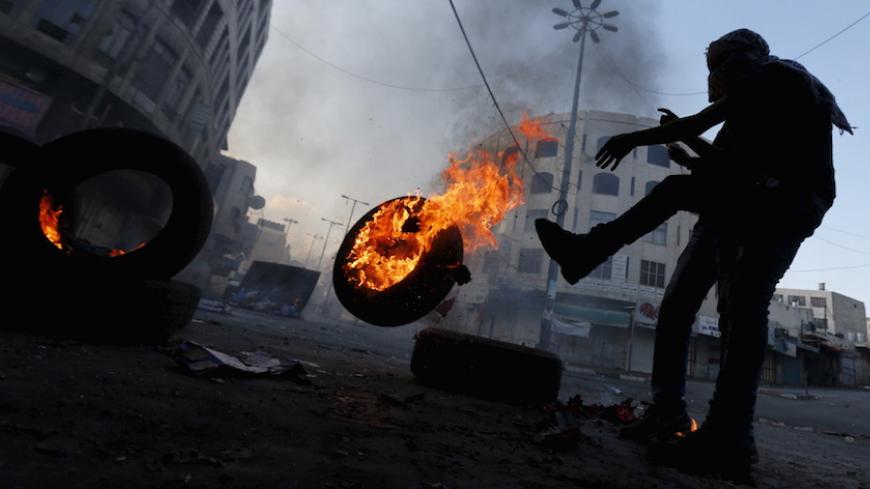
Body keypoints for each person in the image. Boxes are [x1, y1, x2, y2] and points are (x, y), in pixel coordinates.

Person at [536, 28, 851, 481]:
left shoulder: (778, 77)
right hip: (739, 204)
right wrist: (681, 148)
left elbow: (700, 124)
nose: (717, 78)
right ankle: (668, 416)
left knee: (742, 308)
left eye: (721, 67)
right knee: (679, 302)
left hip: (779, 208)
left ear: (744, 59)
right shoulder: (756, 102)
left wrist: (634, 139)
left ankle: (729, 440)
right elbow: (720, 159)